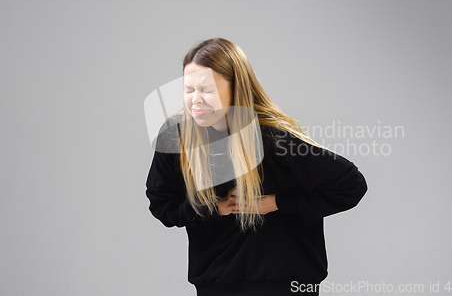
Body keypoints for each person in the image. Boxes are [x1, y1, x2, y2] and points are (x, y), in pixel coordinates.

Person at [145, 37, 368, 296]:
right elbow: (162, 204)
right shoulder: (176, 137)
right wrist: (213, 207)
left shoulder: (274, 140)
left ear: (236, 87)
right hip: (216, 286)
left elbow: (351, 186)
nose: (195, 100)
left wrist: (276, 203)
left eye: (206, 89)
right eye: (188, 89)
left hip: (285, 286)